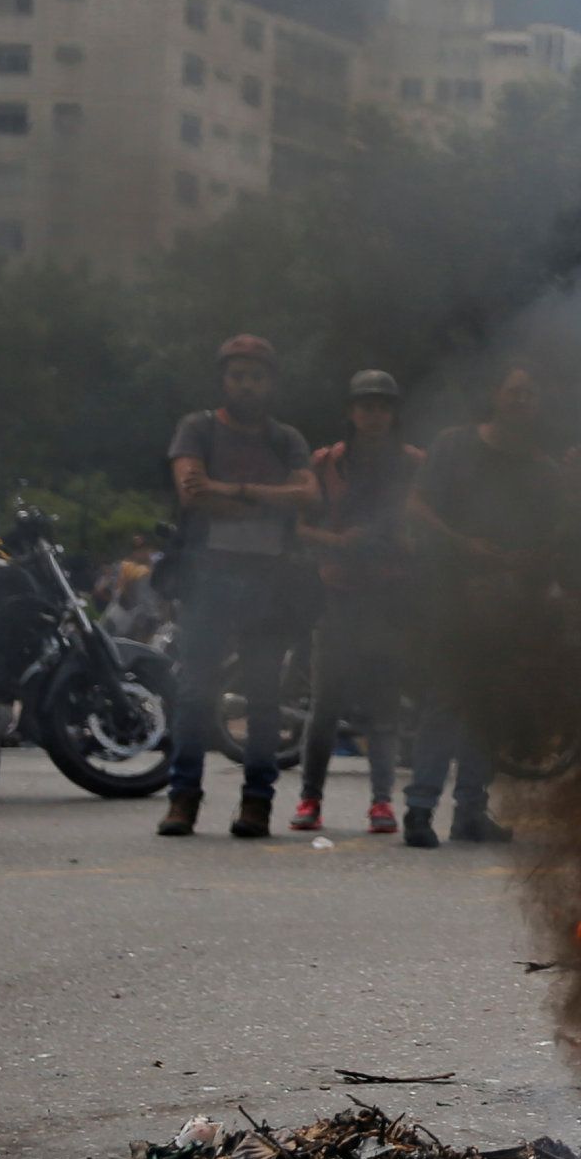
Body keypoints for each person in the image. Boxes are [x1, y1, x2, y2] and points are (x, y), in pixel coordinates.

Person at [158, 335, 322, 839]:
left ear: (269, 383)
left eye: (256, 376)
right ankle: (183, 799)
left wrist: (233, 490)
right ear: (223, 380)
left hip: (270, 583)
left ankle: (257, 803)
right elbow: (191, 495)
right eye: (237, 375)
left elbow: (308, 497)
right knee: (192, 692)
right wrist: (272, 500)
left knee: (264, 696)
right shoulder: (198, 427)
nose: (246, 384)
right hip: (208, 577)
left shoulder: (286, 437)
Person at [403, 364, 558, 847]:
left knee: (488, 705)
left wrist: (525, 562)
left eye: (530, 394)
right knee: (447, 700)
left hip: (509, 601)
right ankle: (419, 811)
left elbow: (550, 535)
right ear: (495, 396)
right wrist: (465, 545)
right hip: (452, 594)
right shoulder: (455, 445)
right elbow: (417, 506)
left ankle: (471, 811)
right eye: (514, 392)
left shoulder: (540, 466)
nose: (522, 401)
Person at [293, 370, 420, 836]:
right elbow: (300, 527)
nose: (374, 414)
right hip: (338, 593)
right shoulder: (326, 463)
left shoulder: (413, 464)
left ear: (393, 413)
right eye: (366, 406)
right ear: (351, 411)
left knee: (384, 705)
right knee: (326, 704)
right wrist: (339, 540)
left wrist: (409, 542)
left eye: (383, 406)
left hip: (390, 593)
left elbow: (426, 524)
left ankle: (382, 803)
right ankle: (310, 799)